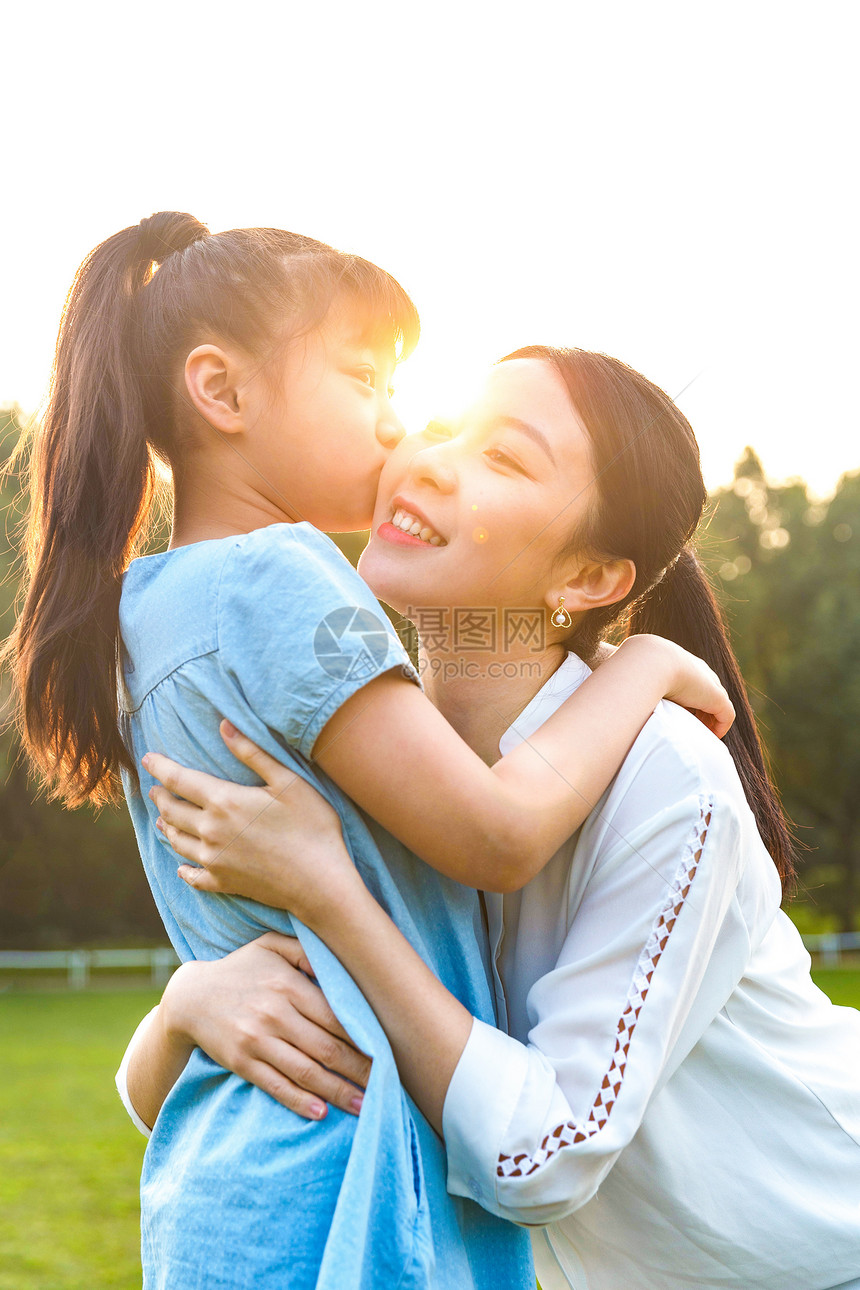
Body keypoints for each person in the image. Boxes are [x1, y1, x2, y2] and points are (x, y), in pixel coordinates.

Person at [3, 214, 732, 1290]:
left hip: (231, 1180)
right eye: (364, 382)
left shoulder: (146, 611)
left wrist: (182, 1006)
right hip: (340, 1184)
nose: (397, 428)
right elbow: (493, 835)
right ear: (223, 392)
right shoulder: (280, 578)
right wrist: (643, 665)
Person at [130, 348, 860, 1290]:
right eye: (443, 428)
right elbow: (199, 1107)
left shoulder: (671, 782)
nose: (429, 460)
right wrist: (188, 1007)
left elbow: (544, 1154)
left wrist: (328, 891)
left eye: (505, 459)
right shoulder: (372, 771)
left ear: (591, 579)